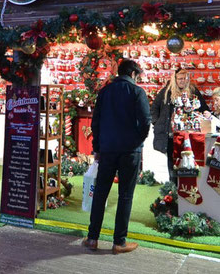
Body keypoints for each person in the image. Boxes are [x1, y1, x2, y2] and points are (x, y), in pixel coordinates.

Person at [83, 59, 151, 254]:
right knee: (125, 195)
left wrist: (97, 147)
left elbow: (95, 122)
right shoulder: (137, 92)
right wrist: (138, 139)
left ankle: (92, 238)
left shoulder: (105, 92)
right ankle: (118, 242)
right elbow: (146, 121)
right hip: (130, 151)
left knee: (100, 192)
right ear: (132, 74)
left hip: (107, 149)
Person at [151, 68, 209, 183]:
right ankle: (173, 188)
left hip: (188, 135)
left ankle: (186, 187)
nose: (183, 81)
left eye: (185, 78)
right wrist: (157, 123)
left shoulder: (193, 91)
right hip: (170, 134)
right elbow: (154, 108)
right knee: (172, 163)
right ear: (175, 79)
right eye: (180, 79)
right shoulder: (166, 92)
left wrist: (206, 113)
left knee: (187, 161)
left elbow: (203, 108)